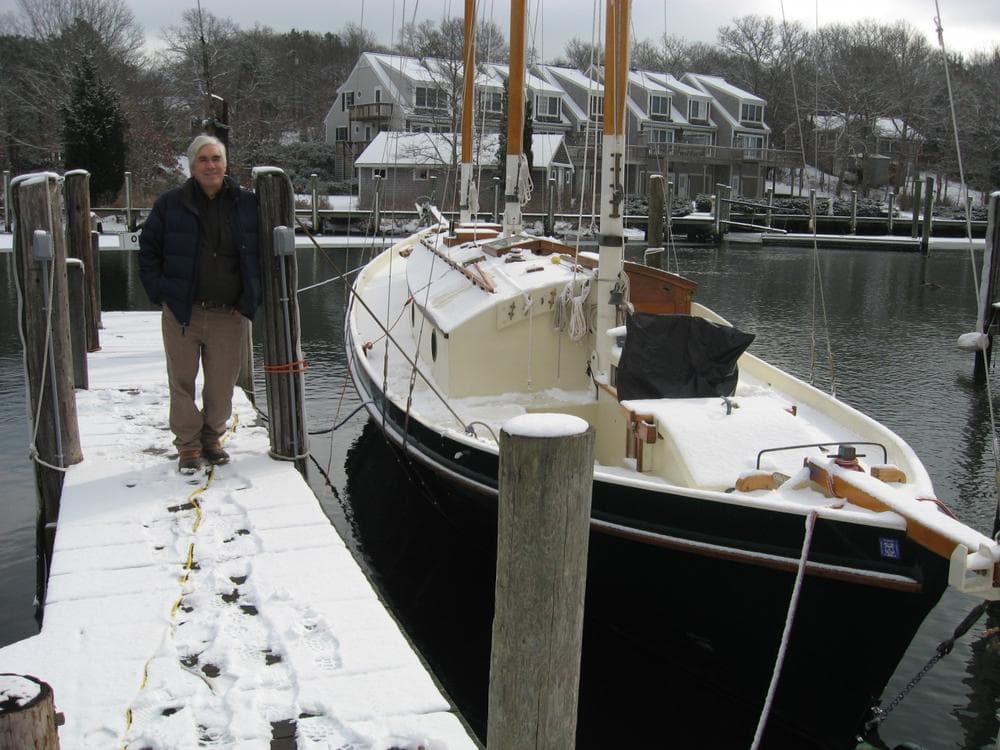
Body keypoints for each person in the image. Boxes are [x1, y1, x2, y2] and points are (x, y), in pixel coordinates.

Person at [139, 134, 262, 474]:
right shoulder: (170, 204)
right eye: (203, 160)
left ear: (226, 164)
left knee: (222, 383)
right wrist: (161, 291)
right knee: (182, 382)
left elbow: (262, 254)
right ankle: (189, 446)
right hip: (183, 311)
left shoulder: (247, 204)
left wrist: (250, 298)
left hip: (228, 313)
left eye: (216, 159)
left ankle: (212, 438)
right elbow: (148, 251)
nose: (211, 165)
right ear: (192, 166)